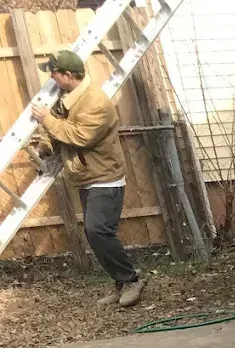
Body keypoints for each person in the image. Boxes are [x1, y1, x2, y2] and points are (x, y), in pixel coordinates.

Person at [30, 49, 144, 309]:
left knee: (98, 231)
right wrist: (44, 147)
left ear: (69, 75)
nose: (52, 79)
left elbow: (80, 136)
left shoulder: (96, 102)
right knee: (96, 234)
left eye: (55, 74)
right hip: (86, 176)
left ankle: (132, 281)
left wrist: (45, 119)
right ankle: (120, 283)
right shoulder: (67, 97)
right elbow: (57, 128)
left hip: (105, 177)